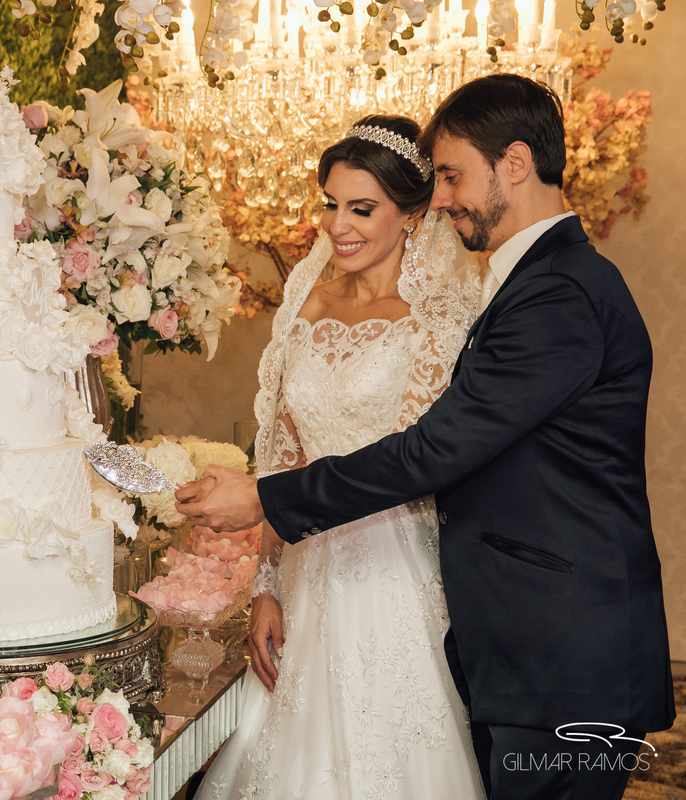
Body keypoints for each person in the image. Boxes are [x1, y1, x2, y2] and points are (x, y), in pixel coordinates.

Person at [177, 75, 675, 800]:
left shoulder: (558, 293)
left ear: (512, 163)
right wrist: (270, 573)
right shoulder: (533, 280)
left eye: (450, 175)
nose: (440, 198)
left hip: (560, 659)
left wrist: (262, 497)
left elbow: (434, 450)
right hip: (512, 643)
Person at [193, 114, 486, 800]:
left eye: (362, 208)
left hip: (392, 576)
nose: (338, 225)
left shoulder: (438, 316)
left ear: (413, 214)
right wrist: (265, 587)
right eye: (330, 204)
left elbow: (418, 463)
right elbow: (281, 455)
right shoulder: (306, 300)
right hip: (304, 569)